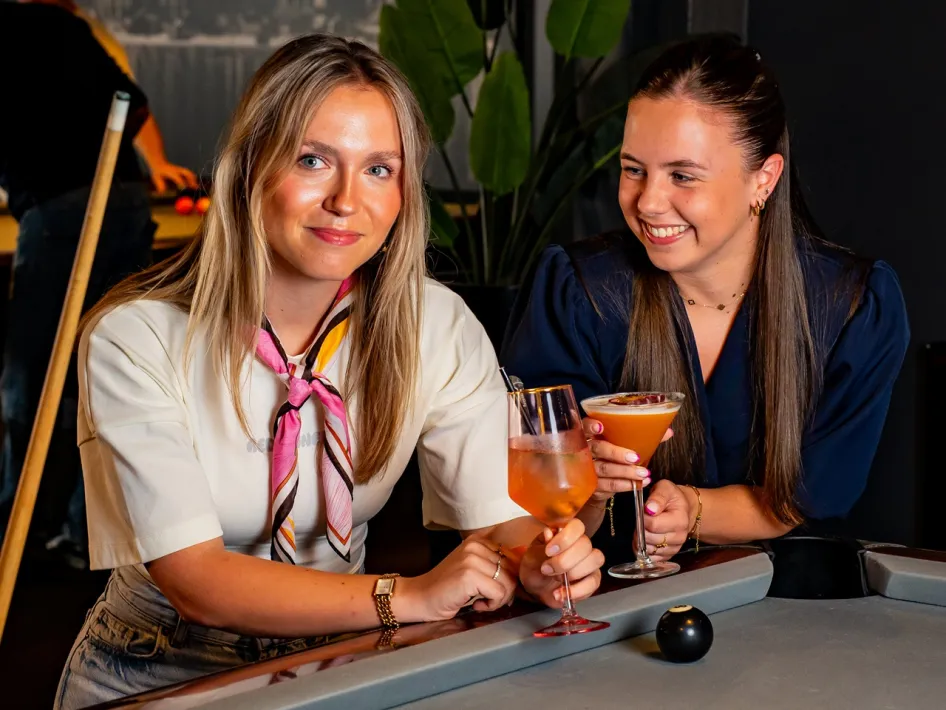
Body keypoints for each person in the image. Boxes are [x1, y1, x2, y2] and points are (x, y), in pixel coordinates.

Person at [54, 34, 603, 709]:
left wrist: (541, 563)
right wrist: (405, 596)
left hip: (341, 659)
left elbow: (497, 520)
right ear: (252, 166)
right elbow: (195, 580)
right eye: (313, 160)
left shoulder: (435, 323)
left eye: (380, 168)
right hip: (157, 671)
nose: (348, 200)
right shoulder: (135, 337)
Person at [502, 34, 910, 566]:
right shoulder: (577, 293)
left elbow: (813, 496)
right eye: (633, 169)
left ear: (763, 178)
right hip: (608, 597)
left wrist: (693, 508)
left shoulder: (855, 307)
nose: (648, 202)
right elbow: (545, 512)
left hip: (794, 605)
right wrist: (592, 488)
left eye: (682, 176)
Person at [0, 1, 156, 564]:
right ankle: (84, 534)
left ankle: (20, 534)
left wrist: (50, 167)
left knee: (30, 384)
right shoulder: (60, 23)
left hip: (63, 212)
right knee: (103, 372)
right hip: (125, 199)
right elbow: (133, 105)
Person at [19, 0, 200, 193]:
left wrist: (157, 162)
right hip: (30, 190)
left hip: (74, 190)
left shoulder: (88, 32)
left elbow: (124, 101)